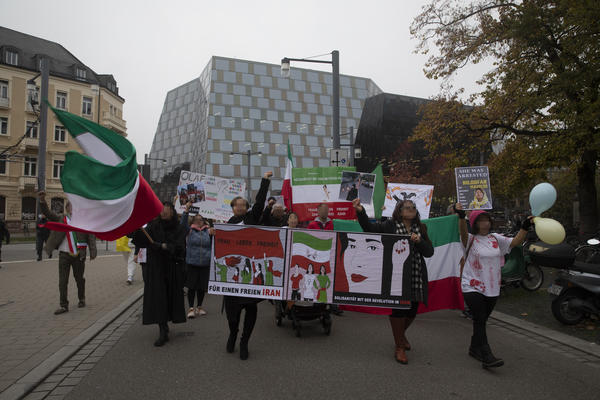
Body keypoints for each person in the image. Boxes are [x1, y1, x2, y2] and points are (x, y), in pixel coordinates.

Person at [353, 197, 434, 364]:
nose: (411, 209)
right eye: (407, 207)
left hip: (415, 275)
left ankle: (400, 335)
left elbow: (429, 252)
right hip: (395, 277)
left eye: (413, 207)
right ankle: (399, 346)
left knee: (412, 311)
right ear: (399, 211)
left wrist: (419, 241)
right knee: (398, 310)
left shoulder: (421, 228)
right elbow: (369, 228)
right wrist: (361, 211)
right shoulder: (390, 226)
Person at [456, 205, 532, 368]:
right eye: (481, 221)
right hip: (472, 285)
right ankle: (486, 355)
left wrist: (524, 227)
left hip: (492, 287)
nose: (485, 224)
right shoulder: (469, 239)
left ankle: (474, 348)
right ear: (475, 223)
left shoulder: (496, 239)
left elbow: (515, 242)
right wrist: (462, 217)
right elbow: (462, 232)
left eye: (487, 220)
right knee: (480, 318)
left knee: (481, 319)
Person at [224, 171, 272, 360]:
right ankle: (233, 332)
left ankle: (244, 342)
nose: (242, 207)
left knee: (251, 310)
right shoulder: (226, 225)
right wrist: (213, 234)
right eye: (239, 205)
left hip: (250, 276)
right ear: (233, 208)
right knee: (232, 315)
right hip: (232, 279)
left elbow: (259, 202)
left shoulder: (251, 219)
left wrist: (265, 181)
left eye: (244, 205)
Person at [134, 202, 187, 347]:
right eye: (161, 210)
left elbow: (179, 247)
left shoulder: (179, 228)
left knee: (170, 298)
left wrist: (163, 246)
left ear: (172, 212)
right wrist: (133, 227)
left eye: (167, 210)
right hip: (156, 268)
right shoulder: (153, 226)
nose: (163, 212)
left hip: (172, 268)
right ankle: (162, 329)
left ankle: (168, 322)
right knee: (158, 299)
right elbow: (142, 240)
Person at [38, 191, 97, 315]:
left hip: (79, 254)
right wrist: (42, 201)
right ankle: (63, 305)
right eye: (71, 206)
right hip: (64, 254)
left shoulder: (83, 220)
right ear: (67, 208)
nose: (73, 208)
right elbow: (48, 213)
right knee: (62, 281)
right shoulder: (61, 218)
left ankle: (82, 299)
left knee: (79, 279)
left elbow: (91, 235)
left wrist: (93, 251)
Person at [181, 201, 214, 319]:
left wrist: (213, 232)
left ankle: (199, 307)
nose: (199, 221)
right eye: (196, 219)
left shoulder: (208, 231)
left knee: (201, 287)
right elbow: (182, 225)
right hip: (192, 263)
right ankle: (191, 308)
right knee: (192, 287)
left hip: (205, 263)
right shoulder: (189, 230)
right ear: (193, 221)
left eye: (201, 219)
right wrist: (186, 211)